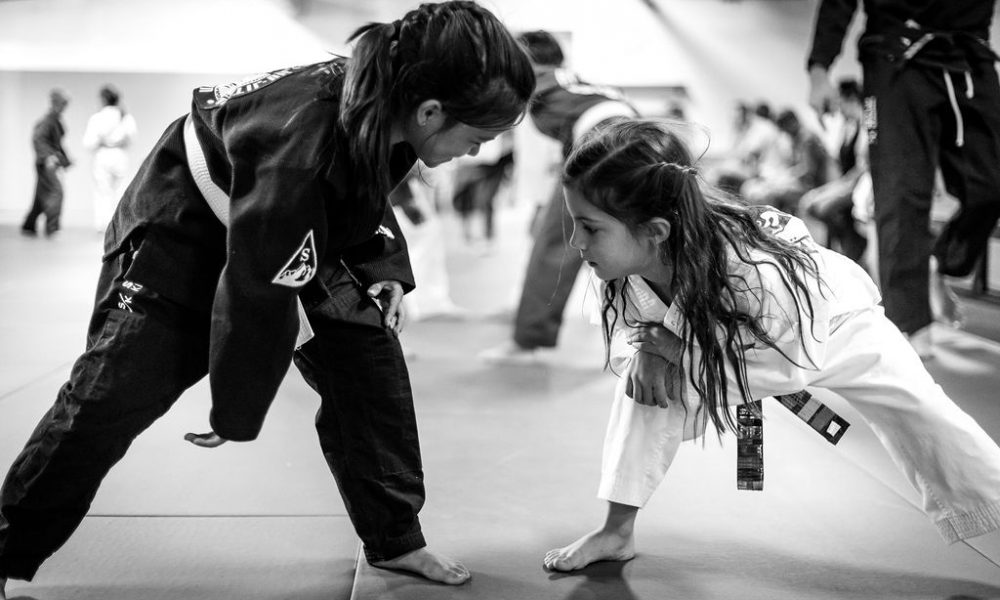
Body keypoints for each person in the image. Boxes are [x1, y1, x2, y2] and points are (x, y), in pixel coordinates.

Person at [0, 2, 534, 597]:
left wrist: (382, 265)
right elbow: (258, 290)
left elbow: (361, 191)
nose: (479, 152)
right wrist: (237, 406)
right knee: (107, 399)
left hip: (286, 219)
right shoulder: (302, 146)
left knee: (367, 361)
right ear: (431, 111)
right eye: (477, 137)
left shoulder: (385, 100)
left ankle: (395, 540)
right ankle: (4, 548)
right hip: (179, 231)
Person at [541, 119, 1000, 572]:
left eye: (590, 227)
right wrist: (647, 350)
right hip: (718, 347)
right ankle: (616, 530)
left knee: (925, 415)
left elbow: (786, 365)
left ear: (656, 231)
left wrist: (678, 350)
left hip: (834, 328)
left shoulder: (755, 269)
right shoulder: (618, 272)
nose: (576, 241)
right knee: (645, 387)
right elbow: (628, 334)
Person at [806, 0, 1000, 357]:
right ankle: (910, 324)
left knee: (991, 186)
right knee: (901, 193)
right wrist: (820, 66)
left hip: (970, 55)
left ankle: (940, 261)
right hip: (895, 56)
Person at [479, 29, 637, 363]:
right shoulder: (577, 83)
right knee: (634, 239)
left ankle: (527, 340)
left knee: (558, 239)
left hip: (601, 140)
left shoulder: (533, 79)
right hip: (636, 133)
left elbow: (535, 155)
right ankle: (648, 334)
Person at [799, 78, 869, 264]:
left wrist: (832, 190)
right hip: (848, 182)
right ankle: (833, 252)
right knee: (809, 203)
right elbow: (836, 157)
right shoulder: (848, 126)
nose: (838, 109)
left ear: (852, 99)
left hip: (859, 184)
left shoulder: (866, 126)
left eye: (840, 103)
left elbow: (860, 171)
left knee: (822, 208)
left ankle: (848, 251)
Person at [82, 84, 138, 233]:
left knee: (102, 191)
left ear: (103, 99)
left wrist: (102, 141)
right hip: (120, 155)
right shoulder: (125, 117)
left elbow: (88, 143)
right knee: (121, 188)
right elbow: (131, 138)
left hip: (103, 155)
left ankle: (103, 225)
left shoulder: (98, 118)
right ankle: (120, 224)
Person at [21, 89, 72, 238]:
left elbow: (56, 144)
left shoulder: (54, 120)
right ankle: (52, 226)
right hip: (46, 163)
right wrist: (48, 157)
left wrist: (65, 160)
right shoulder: (48, 121)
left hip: (46, 161)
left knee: (40, 195)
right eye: (63, 104)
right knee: (56, 192)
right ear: (56, 103)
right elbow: (38, 139)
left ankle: (29, 225)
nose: (65, 107)